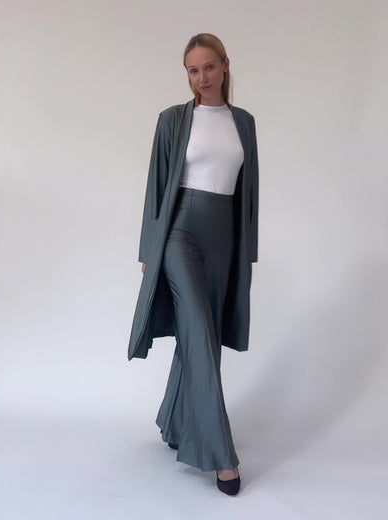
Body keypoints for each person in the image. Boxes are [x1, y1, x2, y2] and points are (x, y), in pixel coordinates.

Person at [128, 33, 259, 496]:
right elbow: (156, 186)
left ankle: (174, 421)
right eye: (192, 70)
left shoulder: (244, 123)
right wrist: (149, 252)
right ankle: (221, 457)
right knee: (200, 336)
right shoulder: (172, 120)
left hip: (224, 240)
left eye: (208, 67)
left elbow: (248, 192)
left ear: (225, 65)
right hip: (180, 234)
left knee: (203, 337)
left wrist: (246, 252)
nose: (201, 77)